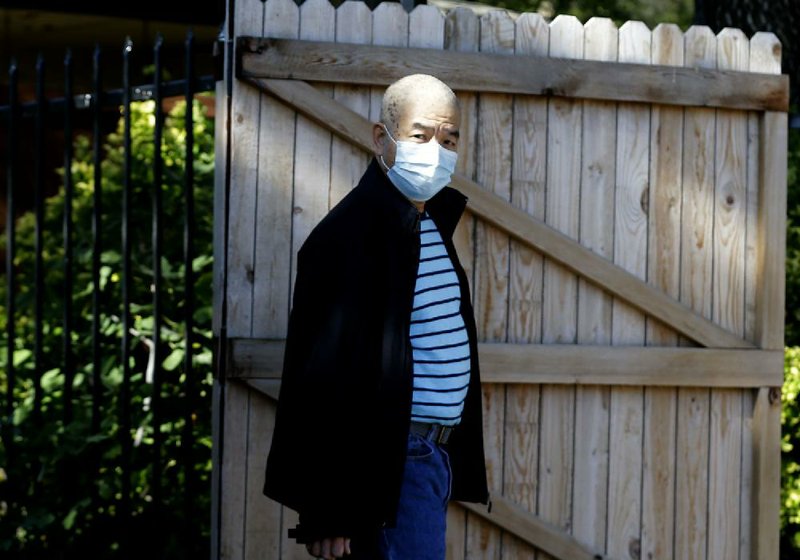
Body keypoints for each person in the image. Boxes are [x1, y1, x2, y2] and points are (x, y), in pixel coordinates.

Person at [263, 74, 489, 560]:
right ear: (380, 137)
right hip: (391, 462)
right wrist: (327, 511)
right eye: (420, 135)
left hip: (432, 457)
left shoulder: (428, 224)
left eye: (449, 139)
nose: (436, 150)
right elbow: (320, 378)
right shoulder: (346, 237)